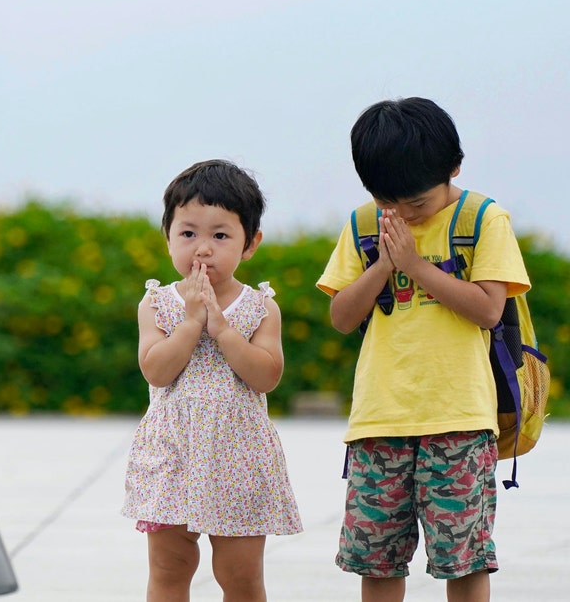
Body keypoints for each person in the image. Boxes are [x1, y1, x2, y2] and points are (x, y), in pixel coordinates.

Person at [316, 97, 530, 602]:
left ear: (454, 167)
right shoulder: (367, 223)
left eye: (416, 204)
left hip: (458, 419)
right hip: (378, 421)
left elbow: (488, 311)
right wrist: (384, 265)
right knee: (377, 559)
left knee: (464, 559)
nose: (405, 214)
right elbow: (342, 318)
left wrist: (415, 265)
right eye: (391, 201)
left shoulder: (483, 218)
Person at [123, 159, 302, 602]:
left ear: (250, 244)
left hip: (236, 457)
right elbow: (156, 370)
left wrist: (222, 330)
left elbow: (267, 376)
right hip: (173, 454)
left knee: (239, 576)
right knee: (169, 568)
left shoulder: (259, 307)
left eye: (220, 236)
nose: (202, 249)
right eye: (188, 234)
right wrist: (190, 323)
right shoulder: (156, 303)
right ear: (168, 238)